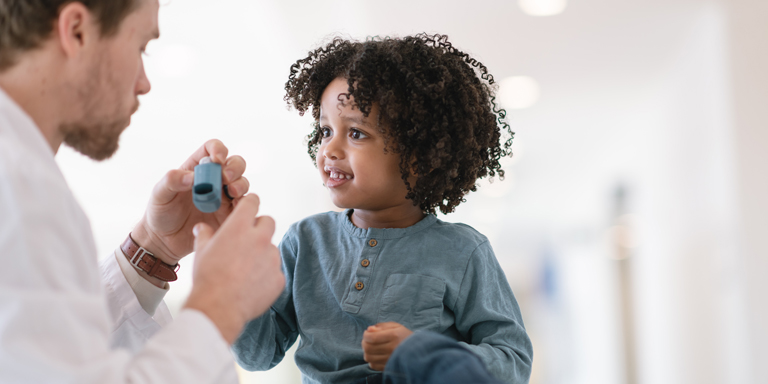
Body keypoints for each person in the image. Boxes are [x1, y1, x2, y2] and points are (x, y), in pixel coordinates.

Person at [0, 0, 285, 382]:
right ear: (77, 31)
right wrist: (220, 306)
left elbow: (58, 354)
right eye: (141, 48)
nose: (144, 83)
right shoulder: (20, 190)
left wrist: (154, 248)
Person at [233, 34, 534, 384]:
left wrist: (423, 354)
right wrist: (235, 277)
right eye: (326, 130)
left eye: (356, 133)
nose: (329, 148)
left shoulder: (463, 251)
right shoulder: (305, 241)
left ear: (419, 157)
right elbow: (258, 355)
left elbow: (513, 363)